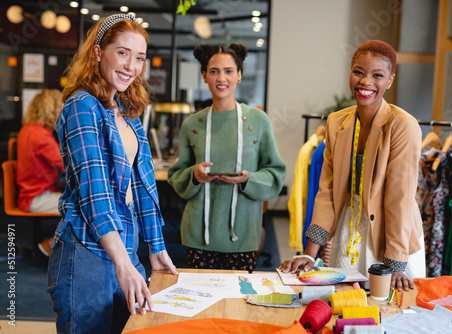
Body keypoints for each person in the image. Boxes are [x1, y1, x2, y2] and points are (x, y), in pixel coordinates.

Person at [48, 13, 178, 333]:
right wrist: (124, 263)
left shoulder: (127, 112)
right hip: (86, 251)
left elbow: (143, 187)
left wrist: (156, 248)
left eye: (139, 58)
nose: (130, 66)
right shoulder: (81, 107)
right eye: (122, 53)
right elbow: (95, 193)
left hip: (125, 246)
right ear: (97, 53)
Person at [279, 40, 425, 292]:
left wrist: (396, 264)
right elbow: (327, 192)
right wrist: (310, 254)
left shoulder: (403, 125)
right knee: (346, 302)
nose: (366, 82)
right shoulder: (337, 122)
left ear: (390, 80)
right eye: (359, 72)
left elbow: (399, 200)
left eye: (377, 75)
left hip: (392, 232)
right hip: (350, 224)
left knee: (390, 308)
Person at [168, 44, 286, 272]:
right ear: (204, 75)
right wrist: (194, 174)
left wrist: (247, 179)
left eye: (229, 71)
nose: (221, 78)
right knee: (202, 301)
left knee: (238, 302)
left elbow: (275, 172)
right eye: (213, 71)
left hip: (242, 233)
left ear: (239, 75)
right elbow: (176, 176)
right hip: (198, 235)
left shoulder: (258, 121)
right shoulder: (192, 124)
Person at [16, 89, 64, 256]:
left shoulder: (28, 129)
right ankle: (49, 245)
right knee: (83, 206)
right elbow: (65, 164)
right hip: (36, 197)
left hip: (30, 194)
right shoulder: (41, 136)